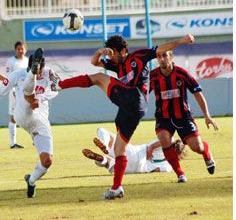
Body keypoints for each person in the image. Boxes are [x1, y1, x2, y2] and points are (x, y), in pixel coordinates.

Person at [50, 34, 195, 199]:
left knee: (98, 78)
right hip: (131, 109)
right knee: (119, 149)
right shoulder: (116, 65)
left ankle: (59, 84)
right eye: (110, 53)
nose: (111, 56)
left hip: (136, 98)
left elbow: (162, 48)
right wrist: (100, 52)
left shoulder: (138, 56)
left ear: (124, 50)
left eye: (114, 53)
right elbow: (94, 62)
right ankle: (117, 187)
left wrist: (181, 41)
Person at [0, 48, 58, 198]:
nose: (41, 74)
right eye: (35, 70)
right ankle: (30, 81)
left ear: (43, 68)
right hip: (22, 113)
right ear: (29, 65)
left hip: (40, 121)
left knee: (47, 161)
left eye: (39, 71)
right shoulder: (17, 74)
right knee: (28, 97)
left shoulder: (49, 73)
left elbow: (57, 88)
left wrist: (41, 98)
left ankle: (31, 180)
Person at [149, 50, 219, 183]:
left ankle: (206, 153)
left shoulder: (182, 74)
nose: (162, 59)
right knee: (165, 140)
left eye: (165, 56)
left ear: (171, 57)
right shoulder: (152, 76)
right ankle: (180, 174)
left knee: (196, 147)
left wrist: (207, 115)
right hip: (163, 117)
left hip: (183, 117)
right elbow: (142, 92)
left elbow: (197, 93)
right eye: (159, 56)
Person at [82, 127, 187, 174]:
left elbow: (163, 142)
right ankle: (102, 159)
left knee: (101, 130)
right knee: (109, 164)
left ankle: (104, 144)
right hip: (136, 169)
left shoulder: (169, 141)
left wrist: (151, 149)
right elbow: (155, 170)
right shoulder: (169, 167)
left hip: (135, 153)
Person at [5, 41, 29, 149]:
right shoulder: (11, 61)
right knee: (13, 116)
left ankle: (35, 139)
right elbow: (8, 77)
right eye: (18, 49)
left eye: (22, 48)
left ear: (25, 49)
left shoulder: (28, 61)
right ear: (15, 50)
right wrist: (13, 89)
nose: (20, 51)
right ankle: (12, 143)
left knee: (30, 115)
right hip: (14, 91)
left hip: (26, 91)